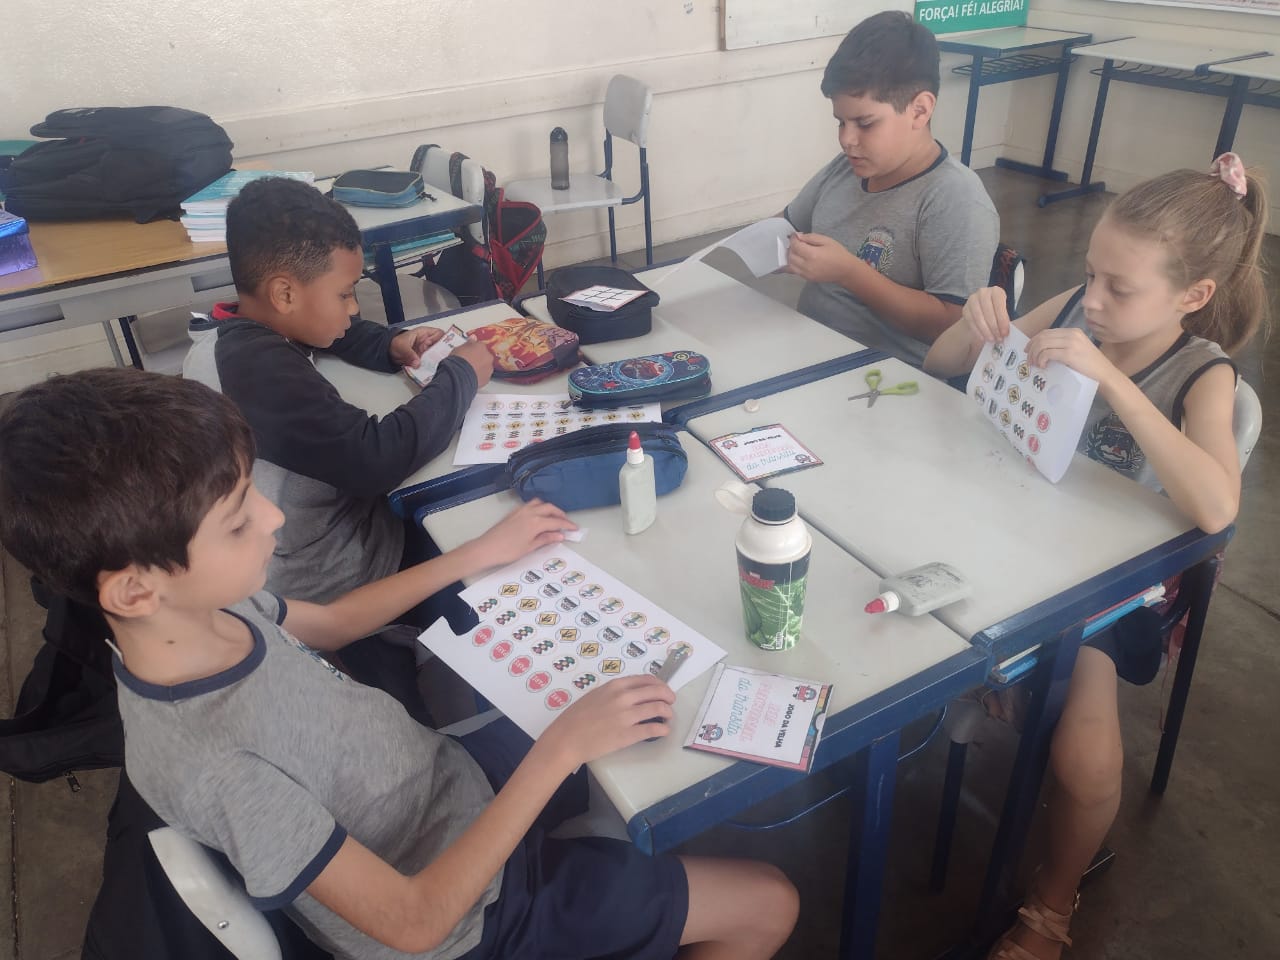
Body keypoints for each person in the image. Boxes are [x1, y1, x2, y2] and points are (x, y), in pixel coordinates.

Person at [0, 368, 800, 960]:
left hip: (443, 789)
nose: (274, 518)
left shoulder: (205, 613)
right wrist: (560, 748)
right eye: (239, 520)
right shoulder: (216, 765)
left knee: (643, 719)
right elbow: (416, 923)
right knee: (769, 901)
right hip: (472, 917)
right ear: (135, 588)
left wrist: (478, 553)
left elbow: (336, 620)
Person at [924, 154, 1268, 960]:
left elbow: (1218, 507)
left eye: (1122, 287)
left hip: (1113, 592)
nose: (1097, 299)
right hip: (1015, 536)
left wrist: (1112, 379)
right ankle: (997, 685)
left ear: (1193, 296)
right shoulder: (1080, 308)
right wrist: (978, 320)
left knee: (1082, 757)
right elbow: (941, 365)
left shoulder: (1202, 373)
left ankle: (1051, 904)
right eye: (1090, 275)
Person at [183, 176, 496, 605]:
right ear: (284, 293)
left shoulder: (241, 332)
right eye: (345, 294)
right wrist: (462, 374)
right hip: (330, 575)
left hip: (322, 531)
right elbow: (377, 457)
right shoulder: (258, 370)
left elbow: (328, 330)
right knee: (482, 522)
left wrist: (389, 344)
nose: (353, 307)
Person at [783, 10, 999, 366]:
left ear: (920, 111)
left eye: (865, 123)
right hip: (809, 348)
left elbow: (952, 327)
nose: (847, 139)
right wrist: (776, 246)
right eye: (840, 122)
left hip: (888, 375)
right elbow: (786, 225)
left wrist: (850, 273)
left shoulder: (955, 199)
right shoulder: (846, 168)